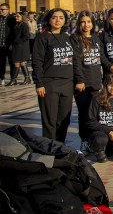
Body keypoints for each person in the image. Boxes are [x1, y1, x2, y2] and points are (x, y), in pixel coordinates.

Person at [32, 8, 74, 143]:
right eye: (54, 17)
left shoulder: (67, 37)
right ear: (49, 20)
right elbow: (37, 61)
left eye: (61, 18)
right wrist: (39, 83)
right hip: (50, 84)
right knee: (50, 120)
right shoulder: (42, 37)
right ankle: (49, 149)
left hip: (67, 83)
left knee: (64, 120)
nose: (58, 20)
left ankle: (60, 147)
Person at [71, 10, 106, 143]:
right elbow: (76, 61)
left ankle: (95, 140)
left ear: (93, 23)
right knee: (84, 113)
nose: (86, 25)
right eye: (83, 22)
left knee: (95, 113)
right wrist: (79, 80)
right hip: (83, 84)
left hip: (96, 82)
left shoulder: (97, 38)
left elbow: (101, 57)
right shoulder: (75, 38)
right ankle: (85, 140)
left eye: (88, 22)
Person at [7, 12, 31, 85]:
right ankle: (27, 78)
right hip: (18, 46)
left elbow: (26, 36)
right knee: (21, 62)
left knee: (17, 63)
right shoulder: (18, 24)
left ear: (22, 17)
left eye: (18, 16)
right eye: (15, 16)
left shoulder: (24, 25)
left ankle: (14, 80)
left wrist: (16, 42)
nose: (16, 17)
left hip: (21, 47)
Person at [0, 3, 12, 86]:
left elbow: (15, 32)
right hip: (1, 45)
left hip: (9, 45)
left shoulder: (12, 19)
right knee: (1, 63)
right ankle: (2, 78)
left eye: (2, 9)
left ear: (8, 10)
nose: (0, 11)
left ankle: (13, 79)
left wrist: (13, 44)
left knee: (12, 62)